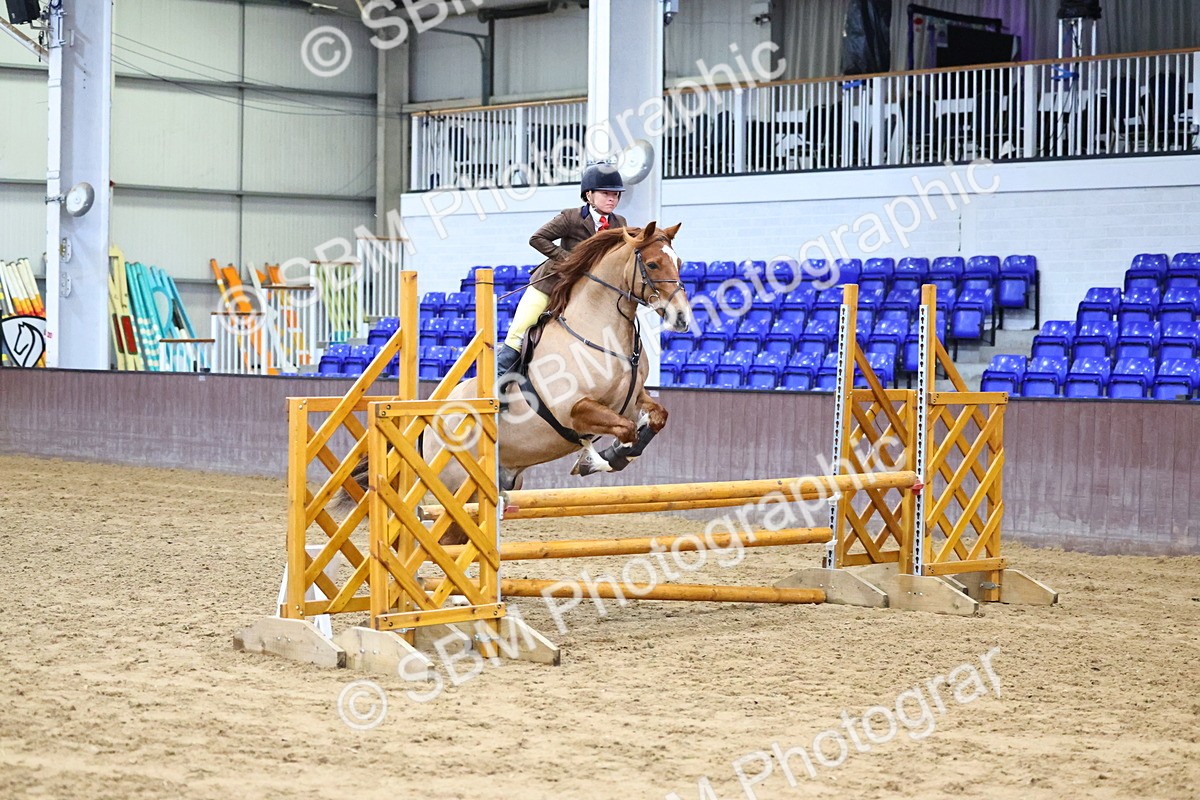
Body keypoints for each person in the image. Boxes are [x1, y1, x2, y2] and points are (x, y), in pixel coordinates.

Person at [495, 164, 628, 374]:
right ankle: (497, 385)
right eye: (605, 194)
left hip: (588, 292)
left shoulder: (619, 223)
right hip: (552, 284)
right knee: (520, 331)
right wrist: (570, 259)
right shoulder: (571, 217)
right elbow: (537, 238)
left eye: (615, 194)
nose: (612, 199)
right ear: (589, 195)